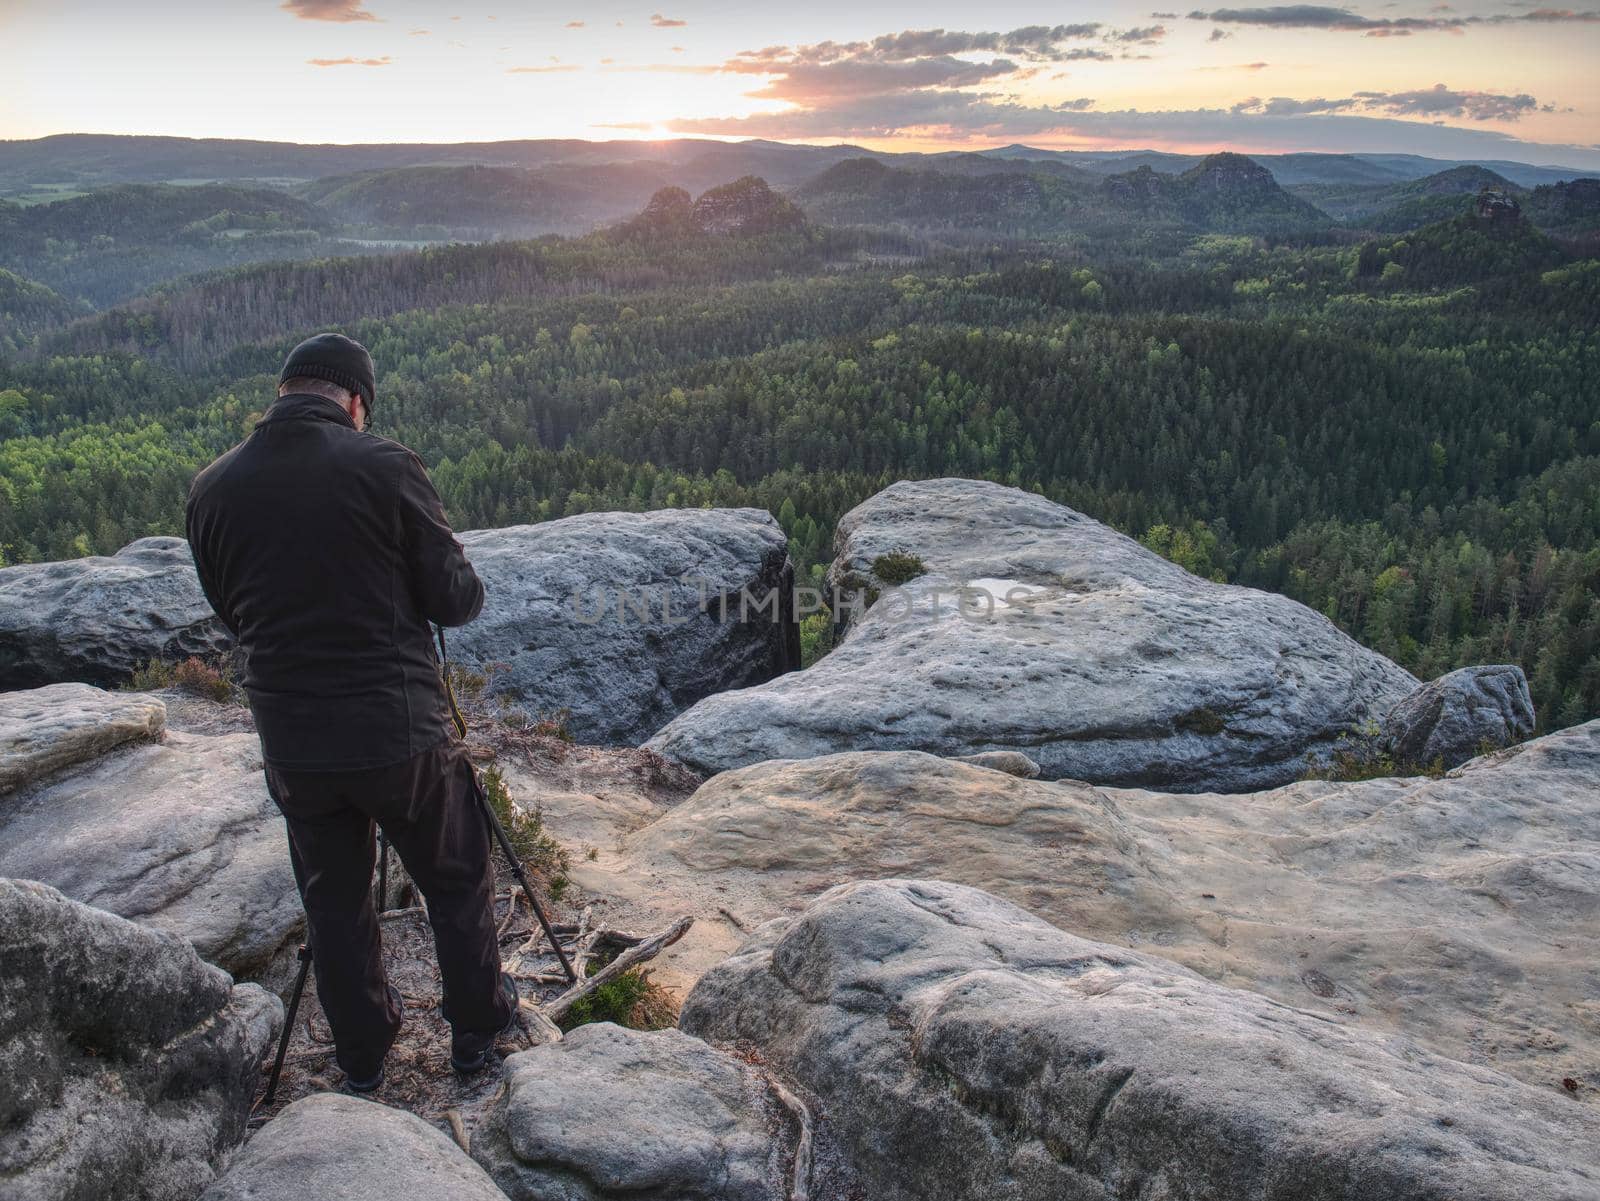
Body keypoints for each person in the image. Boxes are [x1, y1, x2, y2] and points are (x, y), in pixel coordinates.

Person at [186, 332, 515, 1092]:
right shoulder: (386, 465)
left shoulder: (212, 487)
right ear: (356, 400)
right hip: (398, 732)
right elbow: (455, 600)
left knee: (332, 898)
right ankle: (476, 1031)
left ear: (287, 390)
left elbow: (233, 611)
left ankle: (363, 1052)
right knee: (457, 873)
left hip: (293, 739)